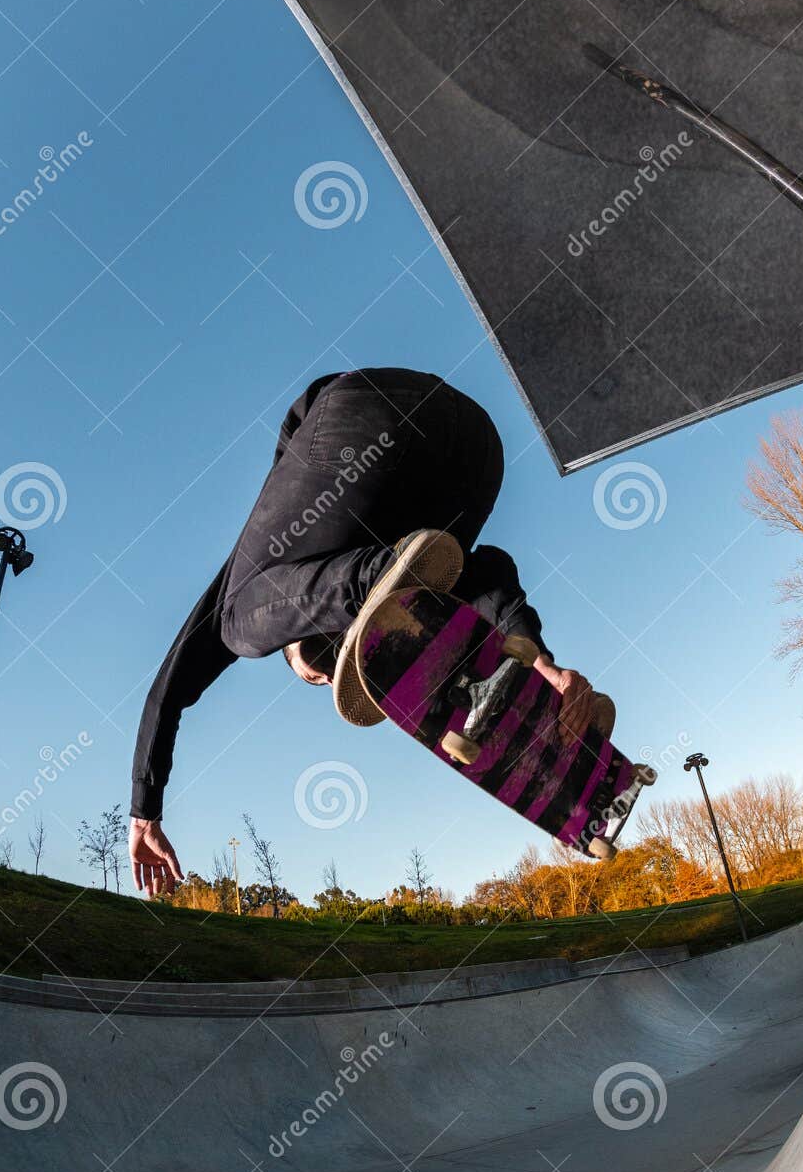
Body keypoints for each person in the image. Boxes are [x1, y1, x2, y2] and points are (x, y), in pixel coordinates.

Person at [129, 367, 608, 898]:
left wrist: (144, 808)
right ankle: (525, 666)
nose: (326, 671)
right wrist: (541, 661)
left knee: (236, 626)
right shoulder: (391, 553)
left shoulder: (260, 575)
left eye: (315, 676)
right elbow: (488, 571)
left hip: (364, 420)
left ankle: (375, 581)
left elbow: (170, 687)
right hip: (477, 452)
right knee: (445, 593)